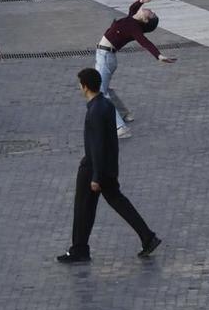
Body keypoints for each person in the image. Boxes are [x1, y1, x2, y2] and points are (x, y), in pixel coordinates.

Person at [58, 67, 160, 264]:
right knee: (118, 201)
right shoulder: (105, 104)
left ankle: (79, 249)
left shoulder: (94, 111)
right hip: (109, 166)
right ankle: (147, 236)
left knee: (83, 208)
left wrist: (96, 176)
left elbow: (97, 145)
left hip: (93, 167)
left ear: (85, 87)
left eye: (80, 84)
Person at [94, 0, 176, 141]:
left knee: (100, 93)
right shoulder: (132, 19)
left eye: (151, 13)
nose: (150, 10)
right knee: (106, 89)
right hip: (105, 56)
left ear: (145, 20)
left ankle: (120, 128)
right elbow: (132, 9)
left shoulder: (134, 28)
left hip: (105, 56)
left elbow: (145, 42)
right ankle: (125, 114)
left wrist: (158, 55)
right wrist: (141, 1)